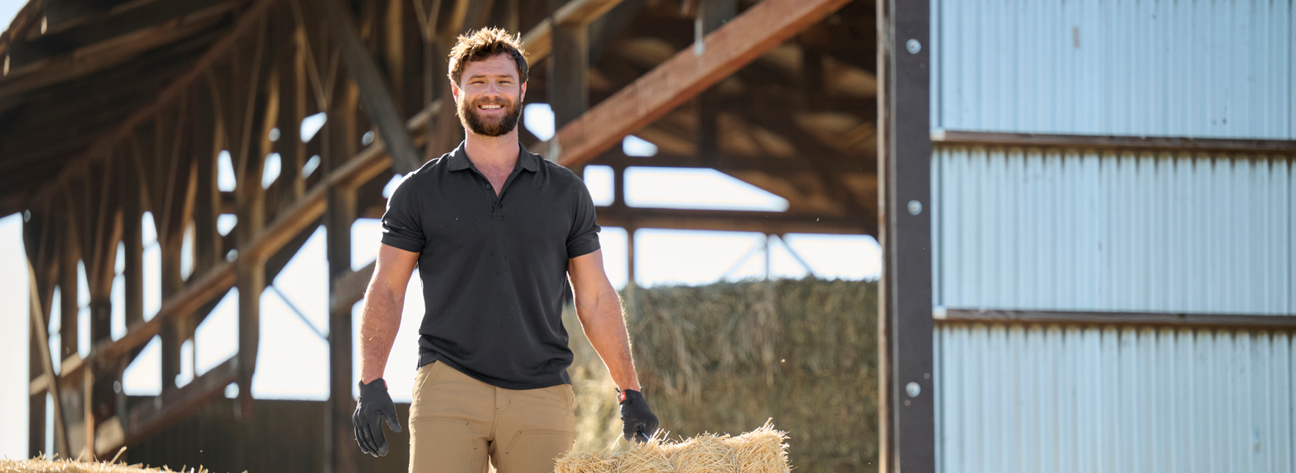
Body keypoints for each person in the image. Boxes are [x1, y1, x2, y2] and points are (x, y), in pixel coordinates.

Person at [349, 27, 659, 473]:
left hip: (542, 394)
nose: (490, 93)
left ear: (522, 90)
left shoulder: (566, 193)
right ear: (457, 92)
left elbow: (594, 297)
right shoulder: (418, 192)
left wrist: (629, 390)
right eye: (477, 82)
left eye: (502, 82)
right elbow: (387, 291)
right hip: (448, 384)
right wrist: (371, 380)